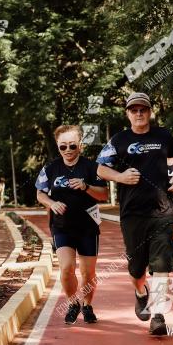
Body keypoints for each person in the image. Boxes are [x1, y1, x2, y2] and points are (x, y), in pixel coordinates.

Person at [97, 92, 173, 337]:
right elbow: (101, 167)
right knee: (136, 268)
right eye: (134, 110)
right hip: (132, 214)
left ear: (150, 112)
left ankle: (158, 315)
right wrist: (120, 177)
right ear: (128, 114)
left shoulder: (163, 136)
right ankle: (140, 293)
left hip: (161, 212)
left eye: (143, 110)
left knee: (161, 264)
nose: (139, 114)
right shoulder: (119, 140)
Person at [36, 125, 108, 325]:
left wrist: (86, 187)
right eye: (63, 147)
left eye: (72, 145)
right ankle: (72, 302)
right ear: (58, 147)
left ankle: (87, 305)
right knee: (67, 268)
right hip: (62, 226)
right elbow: (39, 193)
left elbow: (104, 194)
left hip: (88, 226)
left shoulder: (92, 167)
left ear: (81, 146)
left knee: (88, 273)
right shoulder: (50, 168)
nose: (67, 150)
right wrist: (51, 203)